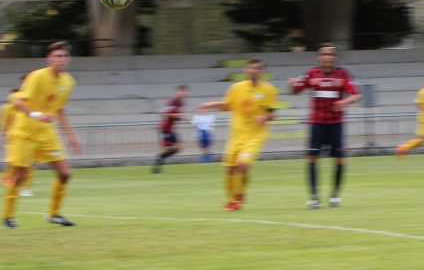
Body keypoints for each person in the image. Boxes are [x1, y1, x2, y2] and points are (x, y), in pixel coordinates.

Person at [4, 42, 82, 228]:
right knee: (19, 175)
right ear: (48, 59)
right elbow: (18, 102)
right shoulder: (37, 76)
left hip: (47, 133)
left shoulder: (68, 82)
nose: (61, 59)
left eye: (64, 56)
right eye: (57, 56)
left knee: (65, 173)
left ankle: (54, 214)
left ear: (69, 59)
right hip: (25, 132)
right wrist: (35, 114)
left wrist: (72, 135)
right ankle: (8, 216)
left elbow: (60, 109)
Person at [197, 58, 279, 211]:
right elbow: (227, 105)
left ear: (261, 71)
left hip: (255, 135)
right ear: (246, 70)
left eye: (257, 68)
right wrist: (212, 104)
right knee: (230, 169)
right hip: (236, 135)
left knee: (242, 164)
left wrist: (265, 117)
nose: (254, 71)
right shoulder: (236, 88)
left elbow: (273, 113)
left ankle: (236, 199)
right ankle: (233, 197)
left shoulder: (269, 90)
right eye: (251, 68)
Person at [289, 43, 362, 209]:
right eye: (324, 54)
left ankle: (335, 196)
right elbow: (294, 91)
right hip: (317, 123)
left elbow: (357, 95)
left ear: (335, 58)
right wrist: (292, 84)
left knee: (339, 159)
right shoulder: (311, 74)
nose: (327, 57)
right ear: (319, 57)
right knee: (312, 158)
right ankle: (314, 197)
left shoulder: (342, 74)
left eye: (331, 54)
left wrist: (345, 101)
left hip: (336, 124)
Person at [1, 76, 34, 199]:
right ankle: (10, 184)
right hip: (14, 137)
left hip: (30, 136)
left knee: (29, 164)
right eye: (23, 83)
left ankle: (25, 187)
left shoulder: (32, 101)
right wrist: (4, 135)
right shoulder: (8, 106)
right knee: (14, 165)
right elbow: (5, 121)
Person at [152, 84, 188, 173]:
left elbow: (176, 116)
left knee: (178, 148)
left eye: (185, 91)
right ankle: (158, 166)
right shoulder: (173, 101)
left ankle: (160, 158)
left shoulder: (180, 103)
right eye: (182, 91)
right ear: (178, 91)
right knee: (167, 149)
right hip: (166, 128)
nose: (184, 93)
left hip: (172, 128)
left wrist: (180, 117)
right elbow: (164, 113)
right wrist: (177, 115)